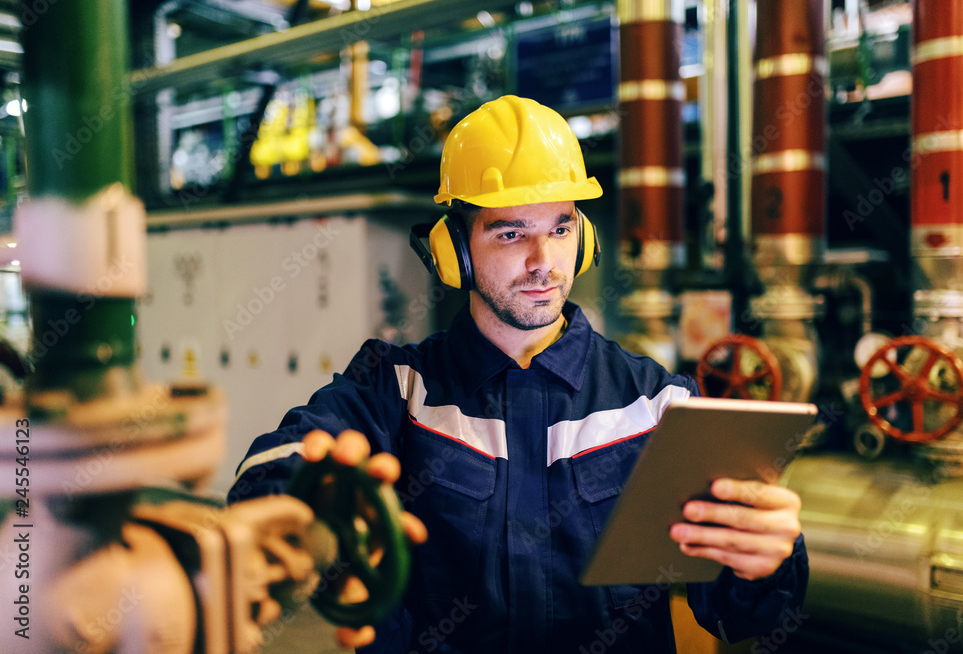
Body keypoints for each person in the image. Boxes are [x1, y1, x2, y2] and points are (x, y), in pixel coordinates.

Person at [228, 95, 807, 653]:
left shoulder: (656, 404)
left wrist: (766, 560)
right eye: (511, 232)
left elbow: (738, 615)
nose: (543, 262)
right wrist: (312, 508)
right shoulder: (396, 388)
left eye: (560, 228)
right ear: (454, 250)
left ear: (584, 239)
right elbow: (272, 465)